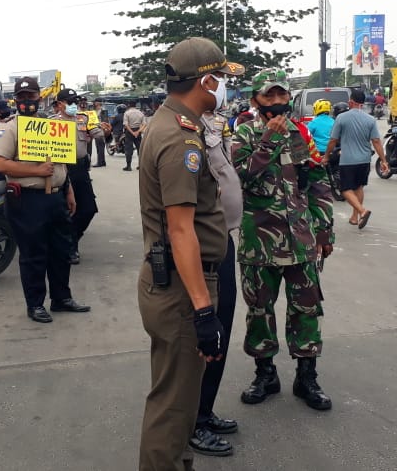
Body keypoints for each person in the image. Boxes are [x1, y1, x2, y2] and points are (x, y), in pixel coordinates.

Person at [137, 36, 242, 471]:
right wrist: (203, 311)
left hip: (182, 282)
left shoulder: (177, 124)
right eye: (222, 80)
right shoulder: (179, 139)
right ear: (206, 80)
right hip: (183, 289)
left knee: (179, 398)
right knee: (174, 405)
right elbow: (180, 229)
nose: (225, 89)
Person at [231, 71, 335, 412]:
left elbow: (317, 182)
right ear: (255, 100)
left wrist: (324, 231)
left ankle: (307, 377)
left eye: (281, 96)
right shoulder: (243, 133)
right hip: (259, 241)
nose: (277, 103)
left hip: (300, 239)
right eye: (269, 96)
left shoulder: (299, 133)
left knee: (307, 309)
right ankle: (265, 374)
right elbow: (241, 175)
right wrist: (270, 141)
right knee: (259, 310)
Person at [0, 77, 91, 324]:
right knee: (34, 254)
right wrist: (36, 171)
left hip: (55, 196)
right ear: (16, 100)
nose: (27, 102)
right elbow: (0, 163)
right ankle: (35, 304)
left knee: (61, 250)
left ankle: (61, 298)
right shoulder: (9, 128)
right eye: (22, 98)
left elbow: (61, 163)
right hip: (28, 199)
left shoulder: (52, 127)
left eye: (31, 97)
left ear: (40, 97)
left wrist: (68, 191)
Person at [189, 106, 241, 458]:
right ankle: (192, 423)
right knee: (203, 337)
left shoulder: (216, 127)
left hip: (223, 239)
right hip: (201, 245)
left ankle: (204, 412)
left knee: (222, 331)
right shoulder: (183, 134)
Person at [322, 88, 389, 229]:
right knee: (359, 187)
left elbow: (333, 140)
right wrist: (383, 160)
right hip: (364, 160)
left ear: (351, 102)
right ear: (363, 103)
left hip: (348, 160)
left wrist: (326, 156)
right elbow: (376, 141)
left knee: (345, 189)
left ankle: (362, 211)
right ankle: (354, 217)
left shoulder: (341, 118)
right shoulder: (370, 119)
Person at [50, 88, 98, 265]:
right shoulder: (52, 122)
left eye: (75, 102)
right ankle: (69, 247)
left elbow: (96, 134)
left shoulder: (83, 119)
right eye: (70, 102)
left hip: (80, 169)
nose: (73, 105)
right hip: (62, 168)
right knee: (66, 210)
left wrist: (105, 133)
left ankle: (72, 239)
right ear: (60, 104)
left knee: (89, 208)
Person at [123, 104, 147, 171]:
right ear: (135, 105)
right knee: (140, 149)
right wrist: (138, 131)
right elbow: (145, 124)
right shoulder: (140, 113)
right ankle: (141, 165)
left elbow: (126, 125)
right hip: (138, 132)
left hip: (129, 132)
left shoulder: (127, 113)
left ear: (129, 106)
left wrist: (132, 132)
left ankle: (128, 166)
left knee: (129, 149)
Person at [88, 99, 108, 168]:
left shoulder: (103, 111)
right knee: (100, 147)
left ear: (98, 103)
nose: (94, 103)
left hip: (100, 130)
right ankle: (102, 162)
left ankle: (100, 162)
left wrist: (102, 127)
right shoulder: (94, 111)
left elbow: (105, 121)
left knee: (100, 146)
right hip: (95, 129)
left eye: (95, 102)